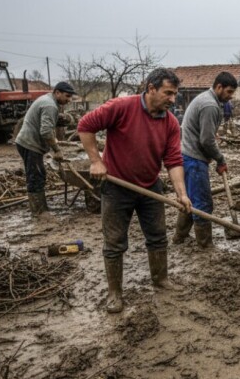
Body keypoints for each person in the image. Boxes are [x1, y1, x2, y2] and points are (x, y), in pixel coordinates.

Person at [77, 68, 191, 313]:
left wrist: (181, 193)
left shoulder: (170, 122)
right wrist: (96, 161)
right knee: (115, 241)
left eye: (175, 94)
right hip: (117, 186)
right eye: (168, 93)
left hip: (150, 186)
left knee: (158, 236)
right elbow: (85, 125)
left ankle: (160, 279)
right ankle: (115, 293)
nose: (173, 99)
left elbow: (173, 160)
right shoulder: (121, 107)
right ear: (151, 88)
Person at [173, 72, 237, 248]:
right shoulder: (210, 105)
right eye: (229, 92)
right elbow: (206, 140)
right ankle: (205, 244)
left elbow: (205, 134)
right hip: (194, 160)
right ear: (219, 87)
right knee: (202, 202)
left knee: (190, 199)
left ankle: (179, 237)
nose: (230, 96)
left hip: (188, 155)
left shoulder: (205, 99)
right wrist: (220, 158)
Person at [14, 81, 75, 217]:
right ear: (57, 92)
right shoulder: (50, 105)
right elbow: (46, 131)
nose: (69, 100)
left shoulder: (47, 99)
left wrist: (65, 118)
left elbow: (46, 119)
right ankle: (39, 212)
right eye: (67, 96)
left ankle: (40, 209)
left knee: (37, 174)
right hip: (30, 144)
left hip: (27, 142)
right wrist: (57, 149)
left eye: (71, 97)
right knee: (36, 176)